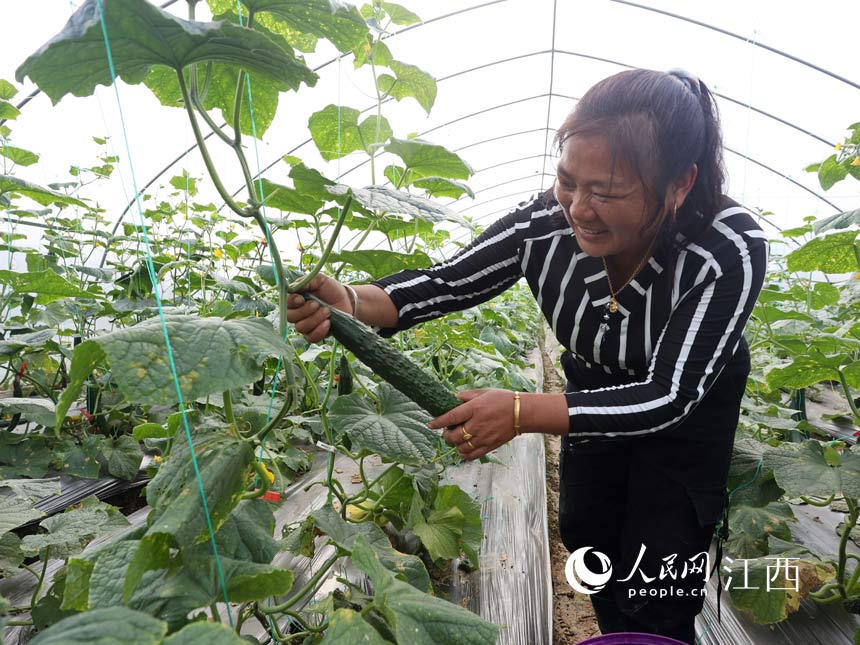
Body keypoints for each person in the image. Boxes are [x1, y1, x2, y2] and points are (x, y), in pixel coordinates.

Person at [287, 68, 768, 644]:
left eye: (607, 192)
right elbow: (446, 283)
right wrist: (349, 302)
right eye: (568, 181)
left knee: (661, 563)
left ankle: (654, 631)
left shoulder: (727, 246)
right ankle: (617, 627)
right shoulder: (544, 221)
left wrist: (518, 412)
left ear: (679, 184)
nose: (578, 208)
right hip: (591, 386)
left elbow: (670, 395)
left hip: (687, 412)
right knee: (588, 528)